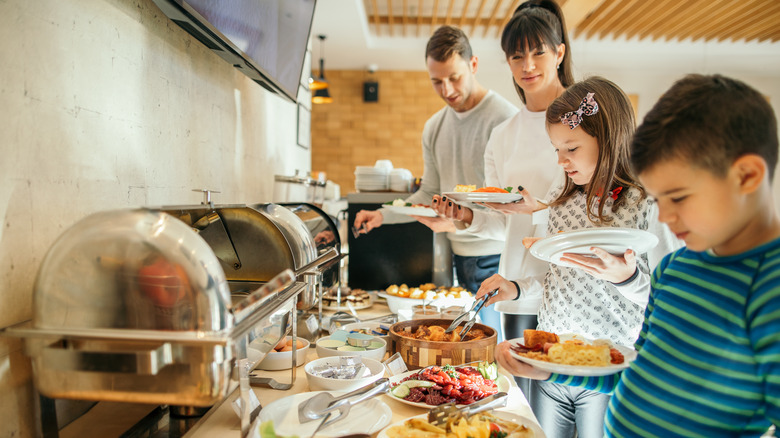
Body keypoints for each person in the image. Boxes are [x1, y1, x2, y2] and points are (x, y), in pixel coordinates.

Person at [498, 74, 780, 437]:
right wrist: (552, 371)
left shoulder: (767, 290)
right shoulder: (675, 271)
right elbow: (640, 373)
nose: (662, 216)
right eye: (658, 198)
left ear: (747, 176)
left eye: (676, 197)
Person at [476, 76, 681, 438]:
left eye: (571, 148)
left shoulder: (648, 202)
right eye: (556, 149)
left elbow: (672, 301)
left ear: (609, 137)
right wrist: (517, 289)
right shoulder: (562, 197)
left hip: (608, 368)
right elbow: (561, 281)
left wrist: (627, 279)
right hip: (550, 361)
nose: (561, 161)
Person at [431, 0, 572, 358]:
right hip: (516, 292)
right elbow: (502, 227)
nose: (527, 66)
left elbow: (591, 213)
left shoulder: (581, 123)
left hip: (571, 289)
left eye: (537, 53)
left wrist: (537, 209)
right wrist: (466, 217)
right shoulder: (504, 134)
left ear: (558, 53)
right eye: (516, 56)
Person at [353, 25, 518, 331]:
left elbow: (512, 203)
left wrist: (457, 221)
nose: (447, 90)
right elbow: (429, 192)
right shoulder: (434, 127)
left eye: (454, 78)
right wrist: (382, 214)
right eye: (437, 82)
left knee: (496, 348)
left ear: (474, 65)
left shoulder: (506, 120)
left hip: (498, 257)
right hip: (459, 255)